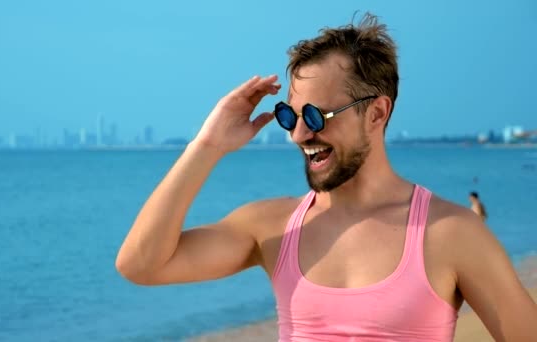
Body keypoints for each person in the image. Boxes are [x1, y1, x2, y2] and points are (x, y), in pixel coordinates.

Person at [116, 13, 537, 341]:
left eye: (317, 116)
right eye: (290, 116)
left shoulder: (449, 234)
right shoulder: (272, 227)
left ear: (376, 112)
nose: (300, 134)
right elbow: (141, 265)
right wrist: (207, 147)